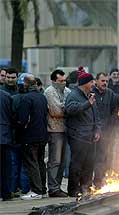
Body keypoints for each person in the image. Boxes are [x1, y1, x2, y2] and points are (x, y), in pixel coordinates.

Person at [65, 66, 101, 197]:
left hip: (91, 136)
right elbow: (70, 110)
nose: (93, 84)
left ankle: (86, 188)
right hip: (78, 136)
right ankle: (73, 190)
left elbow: (97, 116)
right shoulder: (73, 95)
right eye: (91, 82)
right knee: (77, 164)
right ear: (85, 83)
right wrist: (87, 104)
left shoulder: (90, 96)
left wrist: (97, 130)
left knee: (89, 164)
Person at [17, 74, 48, 200]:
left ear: (25, 84)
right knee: (40, 162)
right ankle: (42, 190)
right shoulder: (42, 97)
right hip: (42, 135)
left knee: (32, 163)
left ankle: (36, 191)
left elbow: (23, 120)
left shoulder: (26, 98)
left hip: (30, 136)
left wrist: (18, 129)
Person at [44, 69, 71, 197]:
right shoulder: (49, 92)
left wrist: (65, 108)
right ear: (54, 81)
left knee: (63, 161)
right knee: (55, 161)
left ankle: (58, 187)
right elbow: (56, 111)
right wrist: (67, 109)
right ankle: (53, 188)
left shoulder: (67, 91)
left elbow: (69, 107)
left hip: (66, 129)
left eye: (64, 80)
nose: (63, 83)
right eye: (61, 81)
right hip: (54, 130)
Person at [92, 72, 118, 188]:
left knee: (105, 157)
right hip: (92, 131)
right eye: (102, 81)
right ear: (96, 81)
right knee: (93, 158)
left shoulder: (111, 94)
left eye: (107, 81)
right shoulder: (91, 94)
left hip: (107, 132)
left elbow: (115, 112)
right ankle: (92, 182)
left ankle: (100, 181)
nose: (105, 83)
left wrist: (111, 127)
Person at [0, 89, 14, 200]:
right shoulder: (6, 96)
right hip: (5, 135)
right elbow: (12, 115)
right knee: (6, 166)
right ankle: (6, 193)